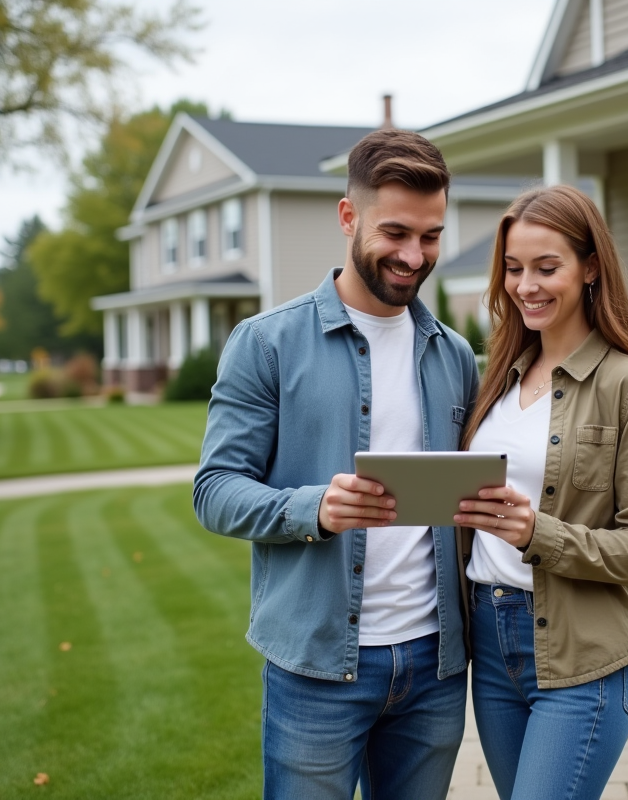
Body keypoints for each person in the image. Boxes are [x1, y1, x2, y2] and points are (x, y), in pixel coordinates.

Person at [193, 129, 479, 800]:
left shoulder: (455, 356)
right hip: (317, 670)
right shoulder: (266, 344)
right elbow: (213, 490)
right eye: (397, 232)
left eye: (431, 236)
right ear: (348, 217)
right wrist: (312, 509)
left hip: (435, 667)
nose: (414, 256)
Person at [451, 185, 628, 800]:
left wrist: (534, 533)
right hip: (491, 651)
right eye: (515, 270)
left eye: (547, 268)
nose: (527, 286)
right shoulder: (496, 377)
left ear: (591, 266)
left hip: (582, 661)